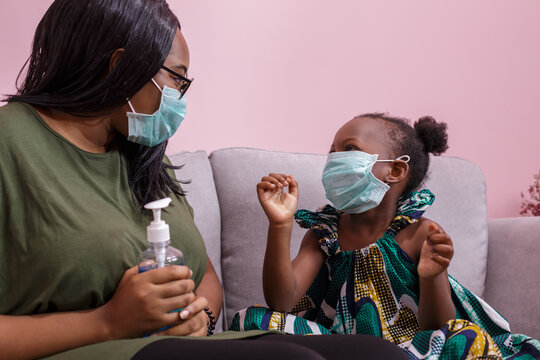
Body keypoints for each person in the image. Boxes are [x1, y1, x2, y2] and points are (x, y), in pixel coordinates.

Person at [0, 1, 408, 359]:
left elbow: (205, 276)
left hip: (183, 345)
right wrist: (106, 321)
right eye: (176, 78)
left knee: (375, 353)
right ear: (121, 67)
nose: (181, 94)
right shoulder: (11, 144)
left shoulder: (141, 157)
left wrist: (202, 315)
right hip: (91, 347)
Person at [230, 114, 540, 359]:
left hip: (409, 349)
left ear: (394, 170)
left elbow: (437, 328)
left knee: (464, 338)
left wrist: (433, 277)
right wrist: (280, 226)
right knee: (254, 320)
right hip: (340, 347)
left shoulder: (419, 234)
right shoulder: (323, 233)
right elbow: (282, 302)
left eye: (349, 150)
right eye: (332, 151)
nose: (335, 159)